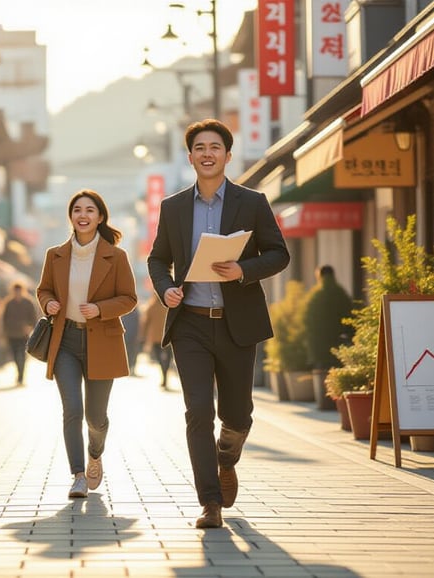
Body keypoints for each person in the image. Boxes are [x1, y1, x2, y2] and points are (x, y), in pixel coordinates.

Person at [147, 119, 290, 529]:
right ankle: (209, 503)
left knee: (238, 413)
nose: (207, 154)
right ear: (190, 156)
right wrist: (166, 289)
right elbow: (158, 259)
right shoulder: (173, 207)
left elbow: (279, 254)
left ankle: (227, 456)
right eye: (199, 147)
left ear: (228, 155)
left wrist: (242, 270)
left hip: (236, 323)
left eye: (215, 147)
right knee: (197, 412)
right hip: (189, 323)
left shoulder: (252, 201)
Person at [37, 189, 137, 499]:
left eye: (90, 210)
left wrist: (100, 309)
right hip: (65, 340)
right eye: (77, 210)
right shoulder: (55, 255)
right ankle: (78, 475)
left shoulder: (116, 256)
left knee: (96, 417)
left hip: (102, 341)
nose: (83, 215)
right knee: (72, 410)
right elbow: (43, 291)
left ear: (101, 217)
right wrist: (49, 303)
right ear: (71, 217)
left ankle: (96, 453)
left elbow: (129, 298)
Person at [0, 281, 39, 386]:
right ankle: (18, 373)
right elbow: (4, 318)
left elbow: (34, 317)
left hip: (24, 334)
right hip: (11, 333)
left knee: (22, 355)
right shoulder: (8, 302)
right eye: (15, 290)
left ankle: (21, 376)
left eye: (19, 290)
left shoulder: (28, 302)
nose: (17, 292)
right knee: (14, 355)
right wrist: (4, 332)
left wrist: (30, 328)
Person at [140, 293, 172, 390]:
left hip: (155, 337)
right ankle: (165, 375)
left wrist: (143, 336)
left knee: (159, 358)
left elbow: (145, 321)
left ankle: (164, 374)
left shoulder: (152, 305)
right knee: (168, 358)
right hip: (168, 337)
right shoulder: (169, 306)